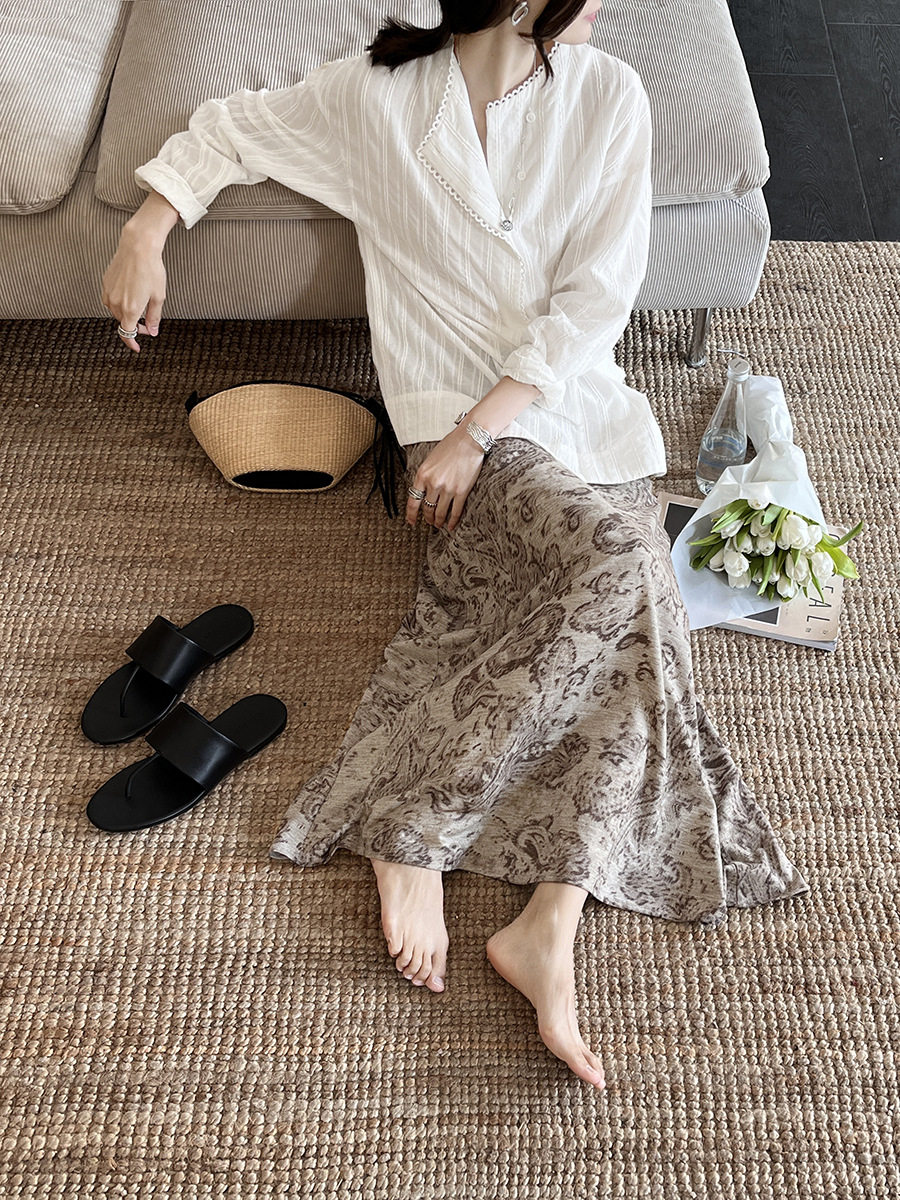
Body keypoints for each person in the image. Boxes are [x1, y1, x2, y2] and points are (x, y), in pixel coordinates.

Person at [101, 0, 809, 1091]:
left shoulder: (609, 94)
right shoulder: (375, 96)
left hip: (577, 417)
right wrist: (145, 228)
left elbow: (600, 293)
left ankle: (526, 906)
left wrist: (487, 429)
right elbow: (232, 128)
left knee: (640, 619)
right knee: (626, 576)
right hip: (448, 423)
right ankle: (463, 862)